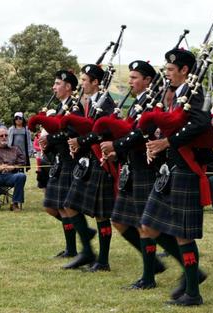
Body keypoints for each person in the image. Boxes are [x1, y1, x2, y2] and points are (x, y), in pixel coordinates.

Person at [140, 48, 209, 306]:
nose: (166, 74)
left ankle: (192, 292)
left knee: (183, 234)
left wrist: (167, 142)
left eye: (171, 70)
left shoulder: (196, 94)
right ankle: (193, 274)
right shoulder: (173, 96)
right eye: (167, 69)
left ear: (184, 70)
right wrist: (155, 145)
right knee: (148, 225)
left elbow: (201, 123)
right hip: (169, 170)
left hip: (185, 170)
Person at [100, 60, 168, 288]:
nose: (130, 81)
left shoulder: (152, 104)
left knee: (144, 226)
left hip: (145, 169)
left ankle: (149, 276)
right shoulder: (137, 103)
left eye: (134, 78)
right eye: (129, 77)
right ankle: (154, 263)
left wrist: (115, 146)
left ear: (148, 81)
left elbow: (140, 134)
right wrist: (116, 153)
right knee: (119, 220)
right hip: (132, 167)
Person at [63, 64, 116, 272]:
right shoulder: (86, 103)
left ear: (96, 82)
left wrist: (80, 141)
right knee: (69, 205)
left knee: (102, 215)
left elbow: (103, 132)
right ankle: (87, 250)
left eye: (85, 80)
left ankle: (102, 260)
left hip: (100, 161)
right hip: (86, 162)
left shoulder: (107, 104)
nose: (82, 83)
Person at [41, 70, 80, 258]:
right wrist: (46, 144)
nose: (53, 87)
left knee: (65, 207)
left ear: (68, 87)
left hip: (71, 160)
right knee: (52, 206)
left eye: (57, 84)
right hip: (59, 160)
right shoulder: (59, 109)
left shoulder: (74, 107)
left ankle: (72, 247)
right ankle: (76, 237)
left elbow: (70, 131)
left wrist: (50, 137)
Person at [0, 126, 27, 211]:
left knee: (21, 176)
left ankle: (15, 203)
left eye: (6, 135)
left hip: (12, 175)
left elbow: (23, 162)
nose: (4, 137)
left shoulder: (15, 149)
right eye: (1, 136)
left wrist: (13, 167)